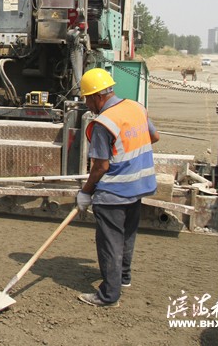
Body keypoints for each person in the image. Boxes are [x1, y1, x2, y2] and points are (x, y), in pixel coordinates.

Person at [75, 68, 159, 308]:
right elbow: (154, 136)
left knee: (110, 242)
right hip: (138, 187)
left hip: (114, 192)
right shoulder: (135, 108)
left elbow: (100, 166)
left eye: (87, 99)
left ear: (97, 96)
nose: (88, 105)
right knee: (127, 236)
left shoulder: (103, 123)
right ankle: (123, 278)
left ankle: (108, 296)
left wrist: (86, 192)